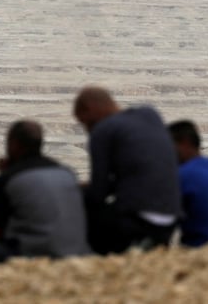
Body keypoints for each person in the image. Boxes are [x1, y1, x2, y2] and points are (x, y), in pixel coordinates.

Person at [0, 120, 90, 265]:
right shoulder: (66, 173)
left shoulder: (7, 180)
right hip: (75, 253)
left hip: (30, 256)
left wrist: (5, 173)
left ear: (14, 144)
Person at [73, 86, 181, 254]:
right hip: (170, 219)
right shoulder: (150, 114)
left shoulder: (102, 131)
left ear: (90, 109)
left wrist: (75, 193)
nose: (87, 129)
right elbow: (139, 174)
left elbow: (98, 194)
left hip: (136, 220)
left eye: (85, 122)